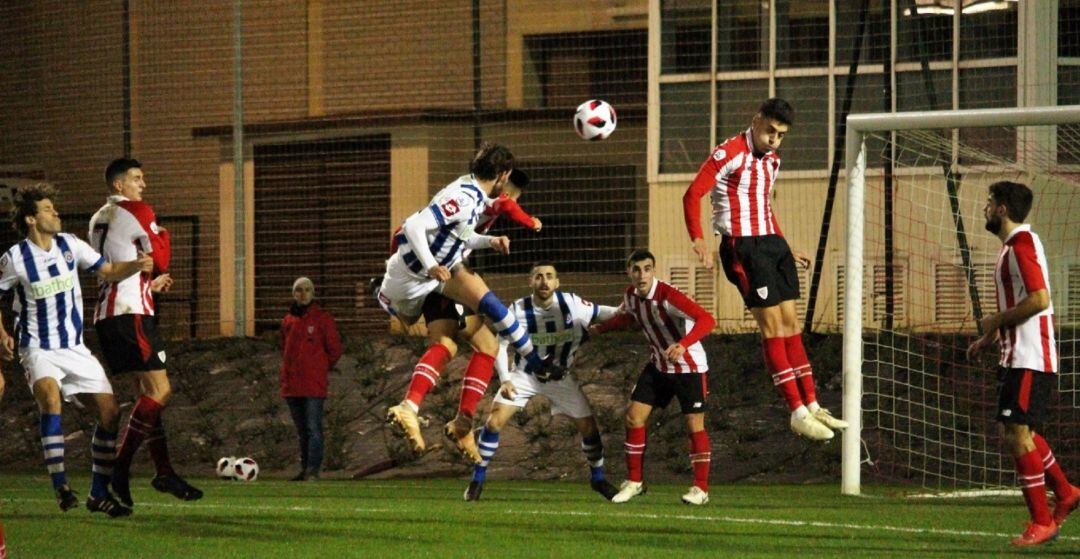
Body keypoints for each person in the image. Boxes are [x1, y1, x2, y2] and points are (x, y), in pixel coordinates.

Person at [682, 97, 846, 441]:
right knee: (772, 327)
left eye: (781, 135)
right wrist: (698, 238)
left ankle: (813, 405)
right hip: (743, 247)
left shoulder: (772, 161)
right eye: (770, 130)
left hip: (772, 243)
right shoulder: (729, 152)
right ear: (756, 121)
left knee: (792, 324)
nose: (774, 139)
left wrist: (785, 246)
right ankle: (796, 412)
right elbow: (692, 194)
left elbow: (764, 206)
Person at [378, 143, 557, 456]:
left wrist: (489, 241)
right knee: (450, 341)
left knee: (479, 343)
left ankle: (456, 421)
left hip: (437, 271)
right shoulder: (477, 198)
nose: (513, 198)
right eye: (513, 189)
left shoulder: (475, 197)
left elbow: (462, 233)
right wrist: (529, 221)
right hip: (434, 273)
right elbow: (416, 225)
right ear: (503, 178)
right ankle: (533, 362)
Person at [0, 183, 152, 517]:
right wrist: (2, 333)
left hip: (74, 347)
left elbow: (108, 270)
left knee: (110, 412)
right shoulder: (15, 259)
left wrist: (136, 264)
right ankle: (61, 486)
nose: (56, 213)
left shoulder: (70, 244)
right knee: (51, 400)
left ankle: (98, 493)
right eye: (47, 209)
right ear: (30, 219)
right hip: (37, 348)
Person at [966, 181, 1080, 546]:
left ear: (1001, 208)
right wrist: (990, 337)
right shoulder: (1013, 247)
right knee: (1017, 432)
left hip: (1030, 357)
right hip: (1018, 355)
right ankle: (1064, 492)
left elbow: (1040, 299)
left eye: (989, 202)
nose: (985, 208)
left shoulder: (1022, 245)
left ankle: (1042, 520)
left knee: (1017, 434)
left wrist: (995, 322)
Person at [89, 158, 203, 507]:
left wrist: (148, 285)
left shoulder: (97, 218)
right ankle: (120, 469)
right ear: (119, 186)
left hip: (110, 314)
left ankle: (164, 470)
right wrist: (163, 234)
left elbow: (113, 267)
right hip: (131, 315)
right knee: (160, 390)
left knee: (146, 395)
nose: (144, 184)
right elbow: (163, 256)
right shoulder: (138, 210)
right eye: (137, 178)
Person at [464, 262, 620, 502]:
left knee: (589, 429)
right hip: (525, 375)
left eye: (549, 277)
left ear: (557, 282)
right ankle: (477, 480)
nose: (544, 281)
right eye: (539, 277)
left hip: (561, 378)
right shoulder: (517, 309)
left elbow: (604, 312)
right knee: (494, 422)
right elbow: (500, 345)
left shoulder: (572, 304)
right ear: (530, 282)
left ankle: (598, 479)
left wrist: (625, 308)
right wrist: (505, 379)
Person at [592, 250, 716, 505]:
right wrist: (600, 329)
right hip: (659, 367)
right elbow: (628, 318)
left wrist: (683, 344)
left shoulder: (668, 295)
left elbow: (707, 319)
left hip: (689, 367)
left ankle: (700, 489)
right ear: (629, 271)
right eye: (636, 269)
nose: (642, 275)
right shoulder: (631, 296)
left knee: (694, 425)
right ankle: (635, 482)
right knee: (633, 417)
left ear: (653, 270)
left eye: (647, 269)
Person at [280, 277, 342, 481]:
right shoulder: (288, 320)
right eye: (299, 290)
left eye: (307, 290)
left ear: (313, 293)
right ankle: (305, 468)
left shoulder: (322, 319)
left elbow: (334, 350)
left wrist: (320, 367)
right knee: (302, 430)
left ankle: (313, 470)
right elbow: (285, 348)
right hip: (292, 384)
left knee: (313, 428)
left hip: (313, 383)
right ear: (293, 294)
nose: (303, 293)